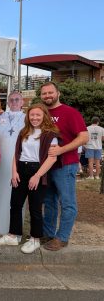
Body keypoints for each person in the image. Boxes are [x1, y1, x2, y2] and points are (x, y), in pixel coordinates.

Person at [0, 103, 59, 254]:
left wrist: (37, 176)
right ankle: (13, 235)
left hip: (38, 171)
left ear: (44, 116)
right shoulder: (24, 132)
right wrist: (14, 172)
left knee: (35, 207)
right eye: (32, 115)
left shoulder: (49, 134)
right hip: (21, 168)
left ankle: (35, 239)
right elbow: (17, 154)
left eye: (38, 115)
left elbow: (52, 159)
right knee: (15, 204)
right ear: (28, 116)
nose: (35, 118)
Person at [40, 81, 88, 251]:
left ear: (58, 93)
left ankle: (63, 237)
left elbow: (84, 137)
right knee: (49, 201)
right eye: (44, 93)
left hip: (65, 165)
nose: (47, 96)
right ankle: (48, 234)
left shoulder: (70, 112)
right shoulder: (42, 113)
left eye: (50, 92)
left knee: (67, 202)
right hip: (47, 166)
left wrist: (61, 150)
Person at [0, 92, 26, 235]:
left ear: (22, 102)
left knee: (14, 191)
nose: (14, 102)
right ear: (8, 103)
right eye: (11, 100)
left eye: (17, 100)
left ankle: (11, 225)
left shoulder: (27, 118)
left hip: (17, 158)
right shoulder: (0, 116)